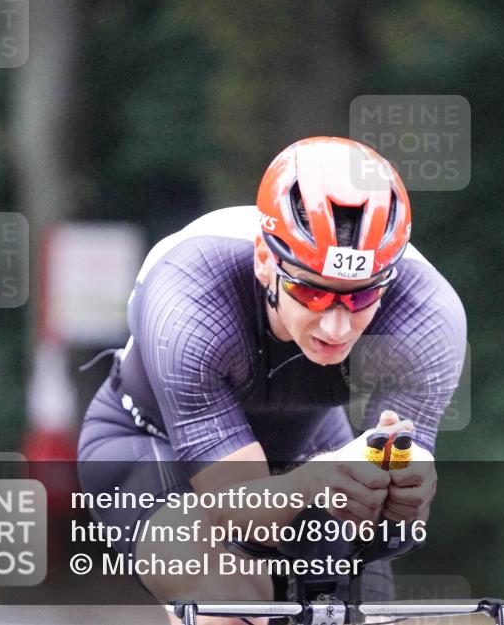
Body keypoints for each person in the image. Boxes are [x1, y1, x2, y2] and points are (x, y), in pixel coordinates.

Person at [77, 136, 467, 623]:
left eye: (361, 298)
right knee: (236, 602)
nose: (336, 327)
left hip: (308, 443)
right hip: (148, 446)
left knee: (362, 612)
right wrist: (323, 479)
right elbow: (237, 513)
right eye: (312, 293)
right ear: (266, 260)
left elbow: (394, 533)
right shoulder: (191, 305)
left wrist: (403, 492)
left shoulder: (427, 317)